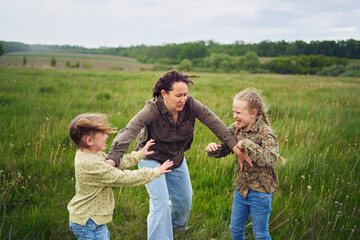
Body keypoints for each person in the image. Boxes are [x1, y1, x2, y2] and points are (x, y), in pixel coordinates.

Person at [106, 70, 247, 240]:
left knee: (184, 200)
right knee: (161, 203)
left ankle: (176, 228)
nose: (183, 99)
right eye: (178, 95)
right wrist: (113, 159)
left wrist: (235, 148)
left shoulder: (191, 105)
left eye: (185, 94)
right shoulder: (152, 109)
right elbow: (130, 130)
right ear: (164, 94)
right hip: (151, 158)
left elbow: (215, 123)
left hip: (176, 158)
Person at [67, 113, 173, 240]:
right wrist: (154, 172)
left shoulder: (91, 155)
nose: (107, 136)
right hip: (88, 223)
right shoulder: (91, 163)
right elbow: (123, 177)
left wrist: (139, 155)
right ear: (89, 141)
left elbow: (114, 164)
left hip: (92, 219)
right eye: (103, 134)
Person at [205, 88, 285, 240]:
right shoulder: (235, 129)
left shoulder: (265, 133)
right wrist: (212, 149)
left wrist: (247, 144)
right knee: (235, 230)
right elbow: (225, 149)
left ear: (253, 113)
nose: (234, 116)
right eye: (233, 111)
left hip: (261, 192)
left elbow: (270, 159)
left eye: (238, 113)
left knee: (260, 234)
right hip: (241, 190)